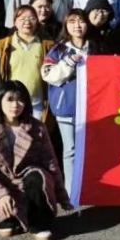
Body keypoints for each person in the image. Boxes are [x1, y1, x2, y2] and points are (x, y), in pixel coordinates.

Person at [0, 81, 72, 240]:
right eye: (10, 99)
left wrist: (62, 196)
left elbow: (51, 163)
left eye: (20, 100)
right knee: (7, 232)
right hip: (3, 190)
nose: (15, 105)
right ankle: (11, 217)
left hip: (33, 189)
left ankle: (39, 223)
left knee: (37, 175)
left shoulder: (37, 128)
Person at [42, 10, 93, 192]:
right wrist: (69, 63)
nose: (77, 25)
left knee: (90, 150)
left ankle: (90, 188)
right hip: (67, 107)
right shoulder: (59, 50)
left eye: (81, 21)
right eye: (72, 21)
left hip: (92, 108)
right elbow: (48, 75)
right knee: (70, 150)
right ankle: (72, 192)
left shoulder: (96, 47)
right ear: (66, 25)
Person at [0, 5, 55, 121]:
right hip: (12, 103)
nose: (27, 22)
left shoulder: (46, 45)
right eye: (22, 19)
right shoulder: (2, 45)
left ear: (37, 21)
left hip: (37, 103)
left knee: (37, 132)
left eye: (32, 18)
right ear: (15, 22)